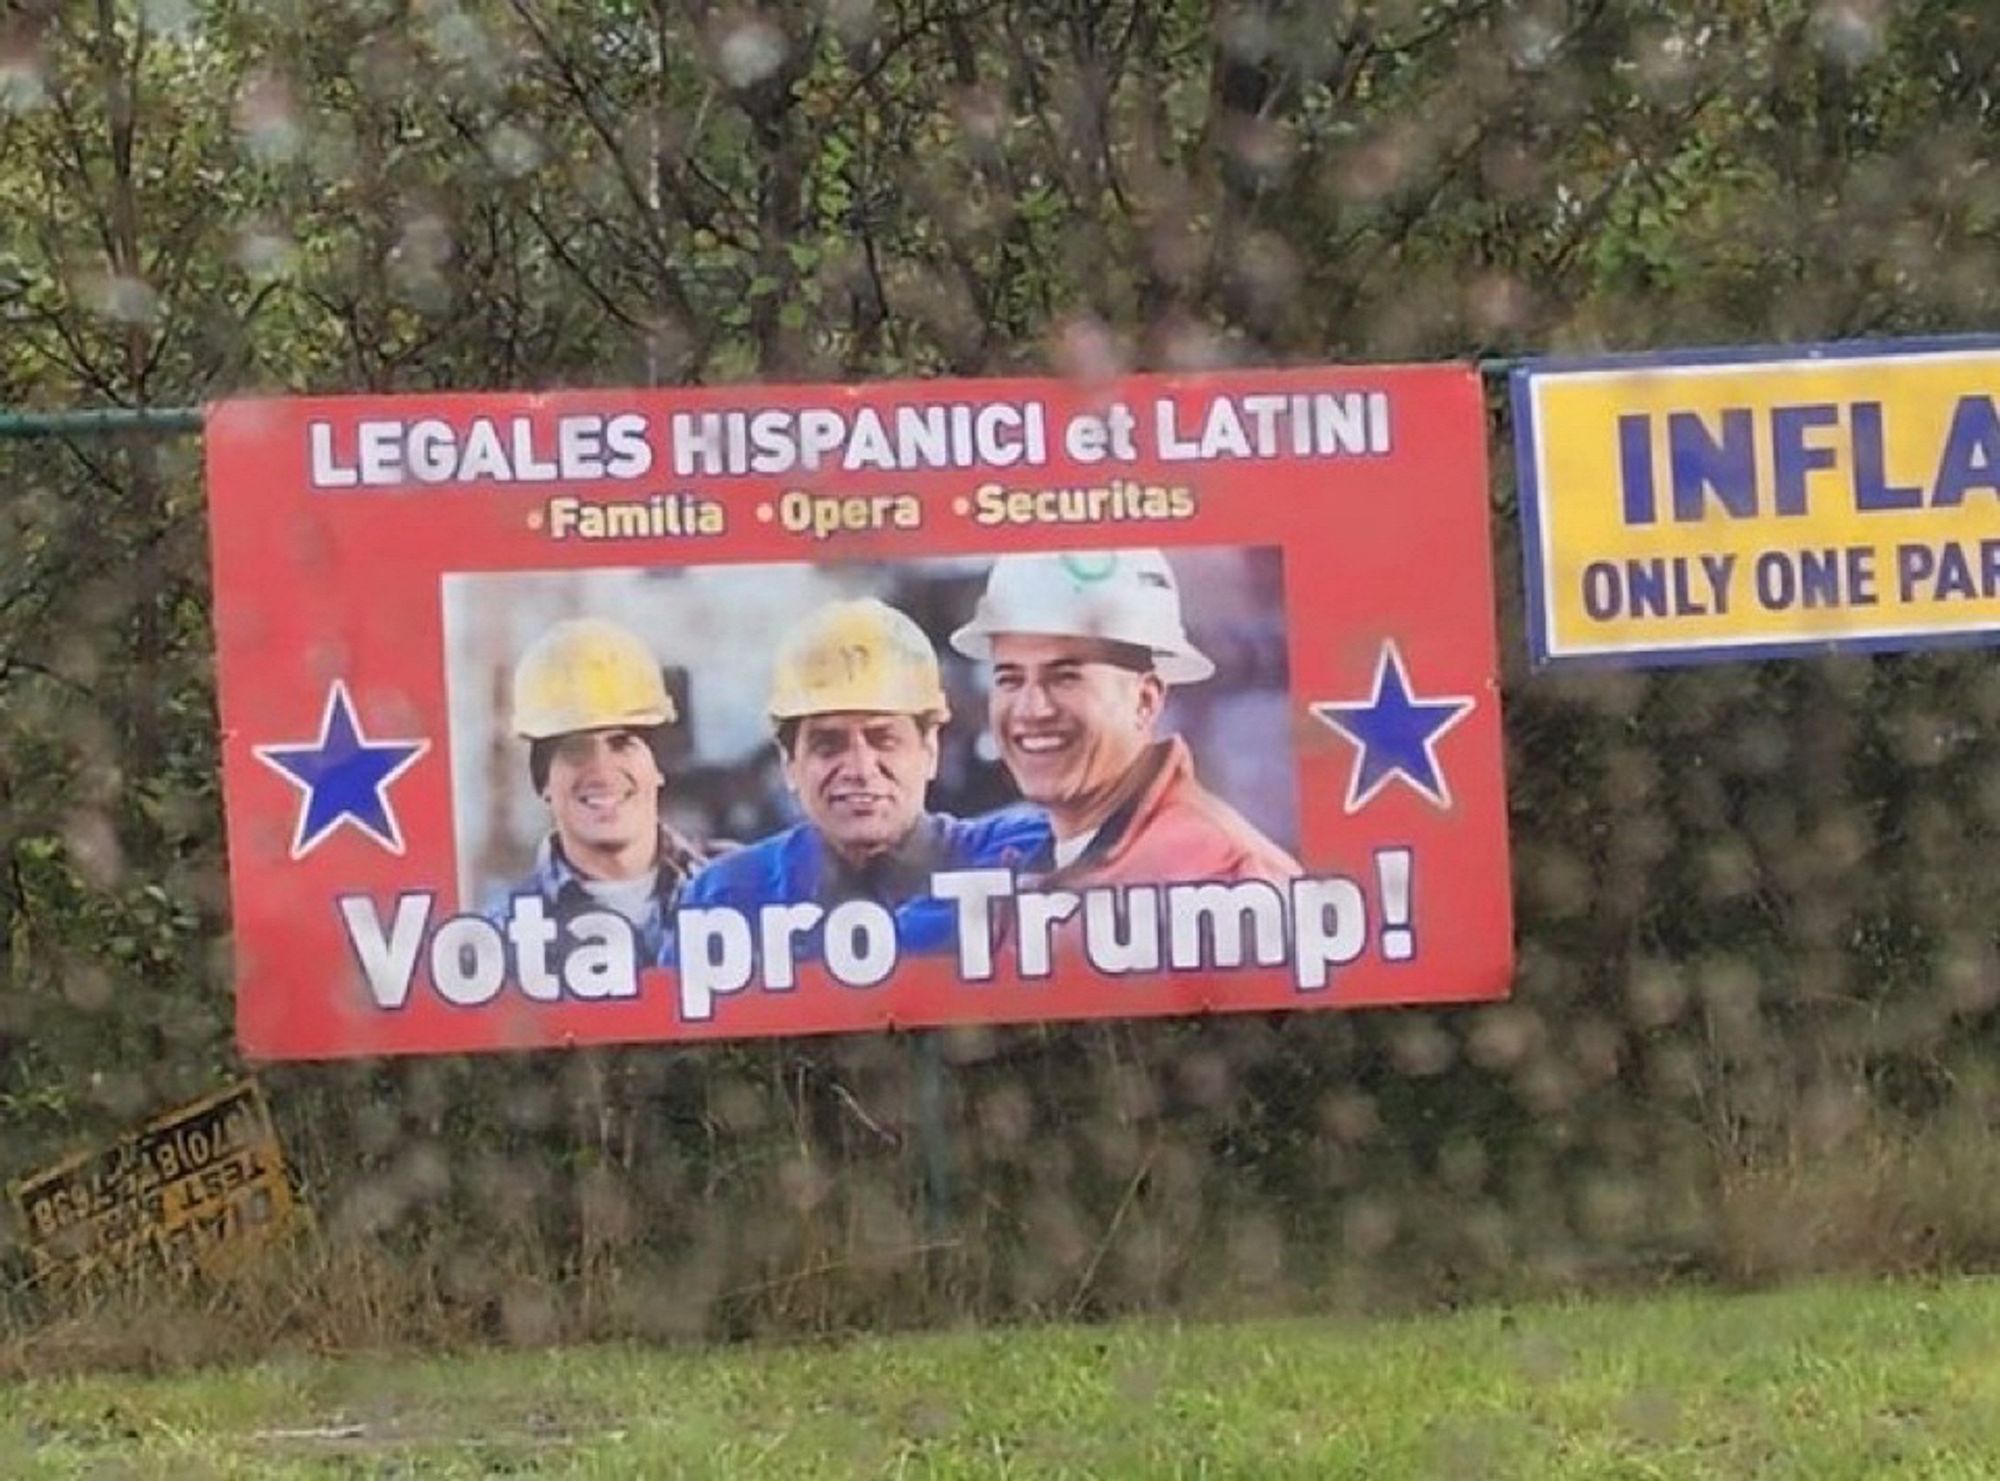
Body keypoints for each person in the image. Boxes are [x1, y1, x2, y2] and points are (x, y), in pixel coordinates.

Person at [668, 597, 1048, 959]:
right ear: (789, 762)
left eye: (884, 739)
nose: (860, 768)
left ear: (929, 750)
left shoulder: (1014, 857)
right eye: (828, 745)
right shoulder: (726, 898)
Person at [949, 548, 1301, 888]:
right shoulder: (1018, 854)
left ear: (1145, 700)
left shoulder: (1231, 880)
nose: (1032, 709)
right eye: (1009, 679)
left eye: (1066, 678)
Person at [491, 616, 706, 961]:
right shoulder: (501, 939)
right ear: (543, 780)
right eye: (575, 749)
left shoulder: (743, 891)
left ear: (657, 766)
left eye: (622, 743)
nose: (602, 771)